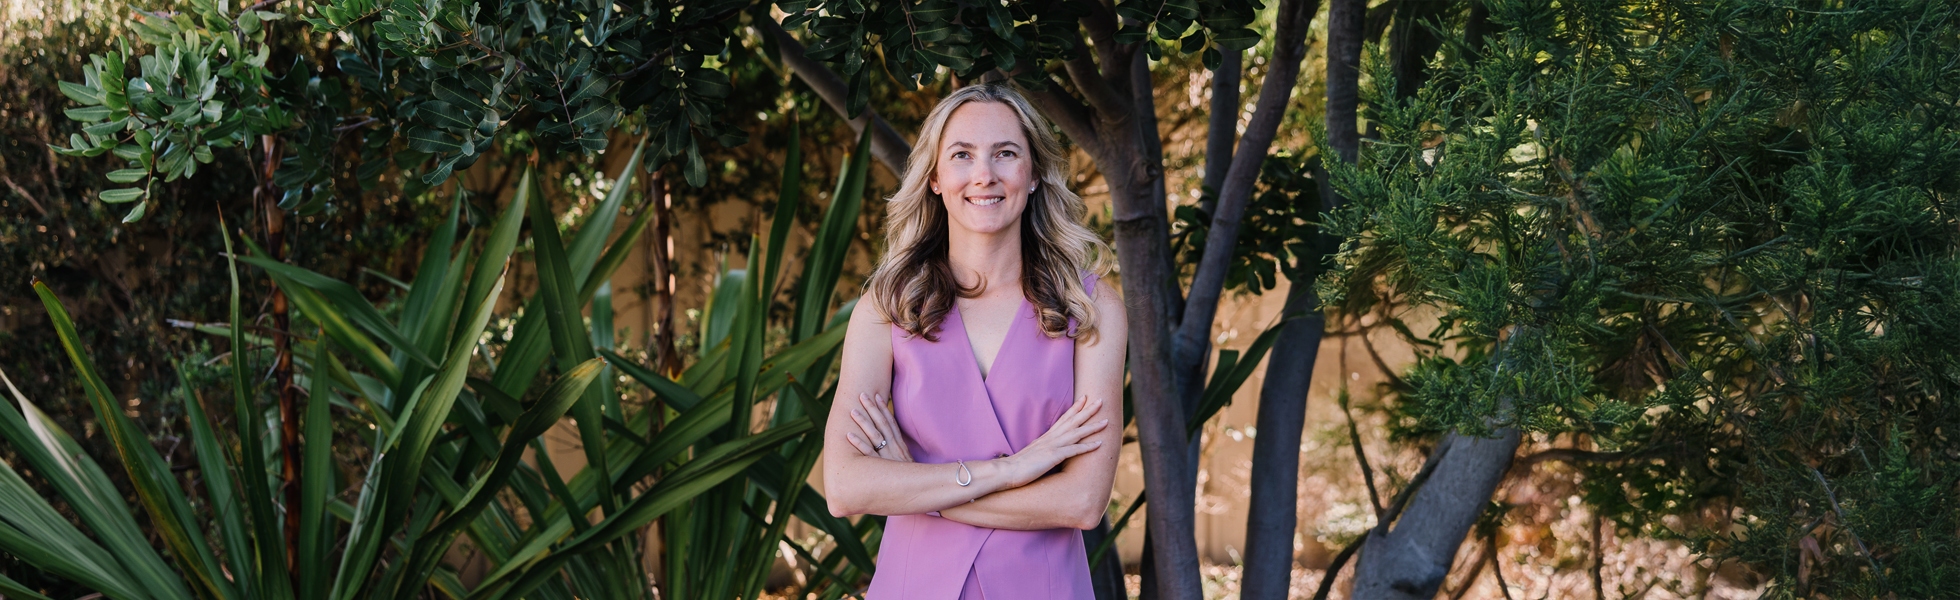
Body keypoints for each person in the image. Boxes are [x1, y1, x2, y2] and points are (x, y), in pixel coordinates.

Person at [822, 83, 1128, 600]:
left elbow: (1082, 501)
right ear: (936, 178)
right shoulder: (887, 307)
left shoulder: (1090, 306)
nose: (984, 174)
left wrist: (920, 490)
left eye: (1005, 154)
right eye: (962, 155)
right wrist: (1012, 471)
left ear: (1032, 175)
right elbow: (846, 488)